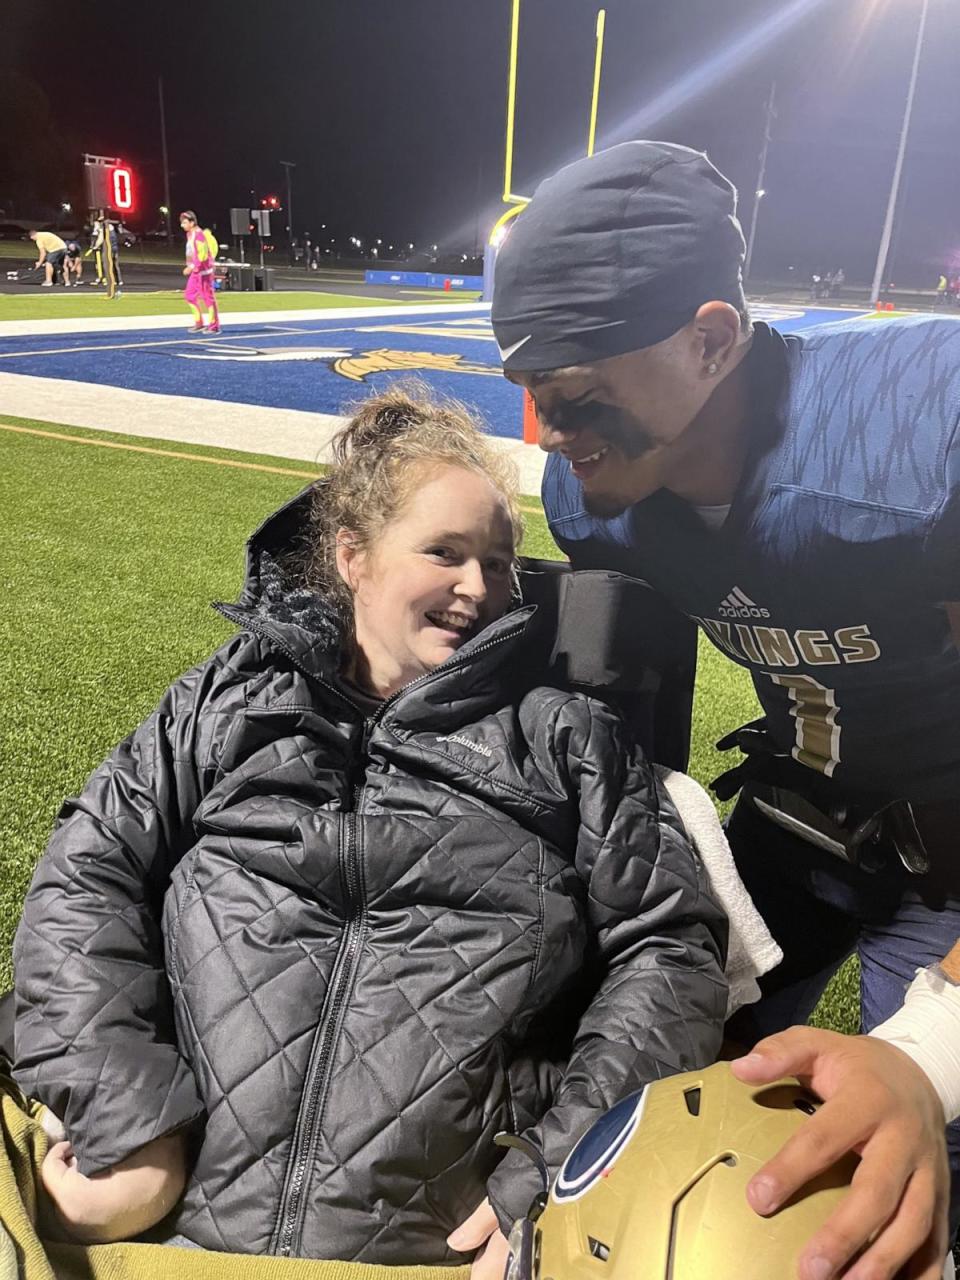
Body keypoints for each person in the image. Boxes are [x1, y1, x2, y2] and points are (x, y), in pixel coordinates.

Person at [12, 385, 727, 1269]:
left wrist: (561, 1166)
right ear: (353, 557)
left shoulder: (567, 735)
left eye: (501, 562)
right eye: (445, 553)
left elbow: (671, 952)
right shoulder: (228, 699)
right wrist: (125, 1113)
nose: (481, 587)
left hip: (430, 1253)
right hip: (162, 1228)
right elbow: (87, 873)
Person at [491, 140, 960, 1280]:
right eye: (534, 386)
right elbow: (618, 716)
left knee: (903, 1191)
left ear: (710, 338)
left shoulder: (915, 438)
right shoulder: (599, 501)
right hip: (805, 818)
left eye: (578, 385)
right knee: (639, 1110)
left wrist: (933, 1045)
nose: (552, 428)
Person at [179, 210, 220, 334]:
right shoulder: (190, 234)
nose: (182, 225)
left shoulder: (199, 235)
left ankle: (214, 326)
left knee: (208, 298)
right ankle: (199, 322)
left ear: (192, 222)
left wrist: (191, 267)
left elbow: (202, 255)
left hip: (204, 272)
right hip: (196, 271)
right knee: (189, 296)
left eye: (185, 222)